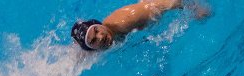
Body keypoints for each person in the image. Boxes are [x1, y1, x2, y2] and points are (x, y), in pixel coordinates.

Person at [71, 0, 210, 52]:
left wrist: (194, 7)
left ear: (98, 24)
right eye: (93, 40)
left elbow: (166, 4)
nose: (100, 37)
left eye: (96, 30)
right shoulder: (91, 51)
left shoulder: (125, 20)